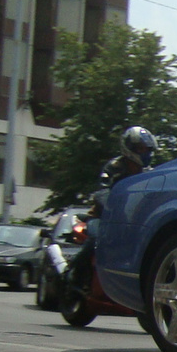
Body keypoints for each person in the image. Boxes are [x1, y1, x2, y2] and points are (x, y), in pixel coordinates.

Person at [63, 126, 155, 294]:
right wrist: (113, 208)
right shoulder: (114, 167)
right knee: (95, 240)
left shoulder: (148, 174)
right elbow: (102, 192)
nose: (145, 152)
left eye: (148, 149)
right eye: (141, 148)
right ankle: (74, 273)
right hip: (103, 217)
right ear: (130, 148)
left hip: (131, 222)